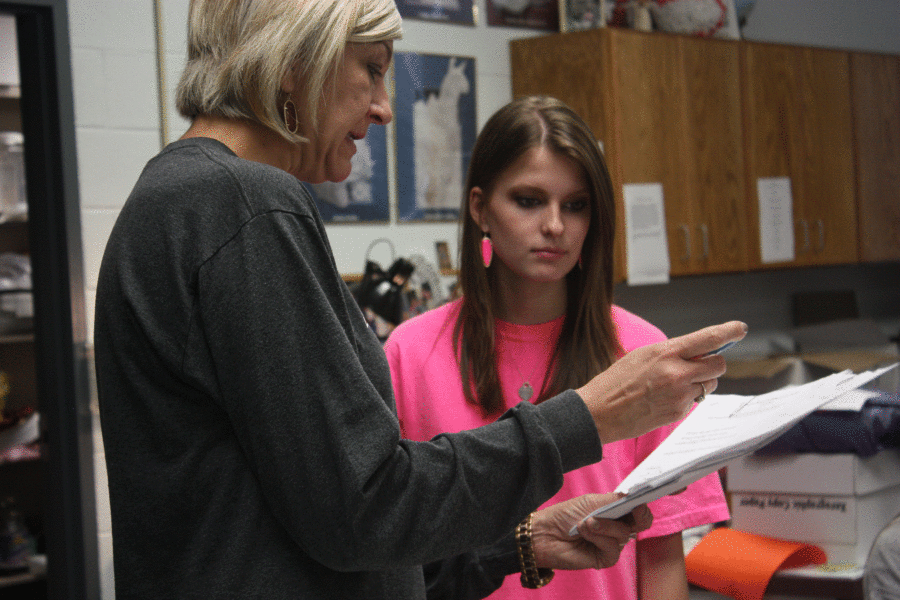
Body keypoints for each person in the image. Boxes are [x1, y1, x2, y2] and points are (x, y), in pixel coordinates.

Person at [92, 1, 746, 599]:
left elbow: (332, 531)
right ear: (295, 61)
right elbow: (363, 510)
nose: (383, 107)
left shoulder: (179, 197)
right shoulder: (245, 204)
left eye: (575, 206)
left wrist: (518, 544)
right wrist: (588, 417)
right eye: (371, 72)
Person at [384, 95, 731, 600]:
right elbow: (390, 542)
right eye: (529, 200)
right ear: (480, 209)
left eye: (575, 205)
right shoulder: (409, 354)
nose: (554, 225)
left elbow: (659, 554)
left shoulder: (641, 353)